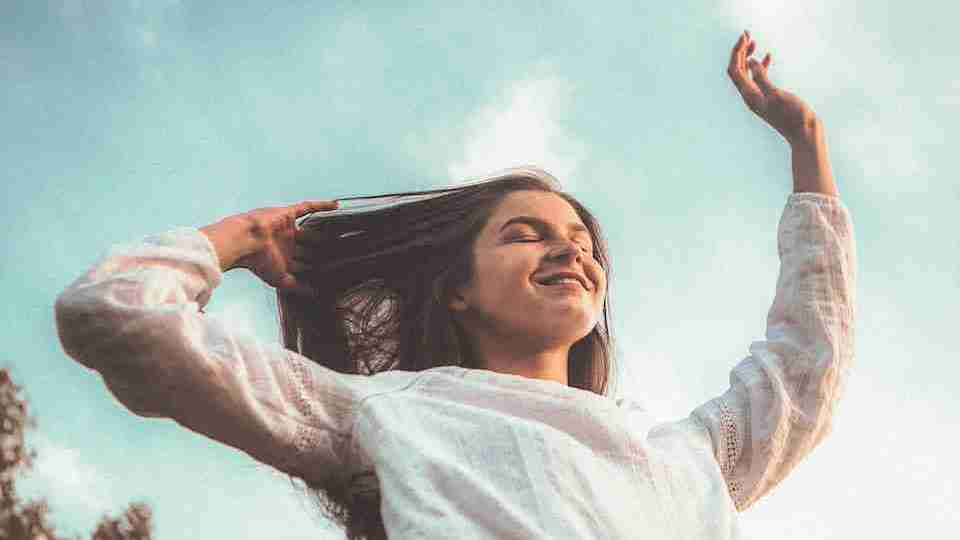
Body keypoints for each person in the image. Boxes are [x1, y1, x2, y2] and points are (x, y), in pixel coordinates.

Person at [54, 31, 856, 539]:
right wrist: (233, 239)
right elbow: (114, 314)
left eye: (582, 242)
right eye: (526, 233)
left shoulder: (683, 455)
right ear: (456, 291)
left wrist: (808, 144)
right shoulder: (391, 413)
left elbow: (805, 367)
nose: (570, 252)